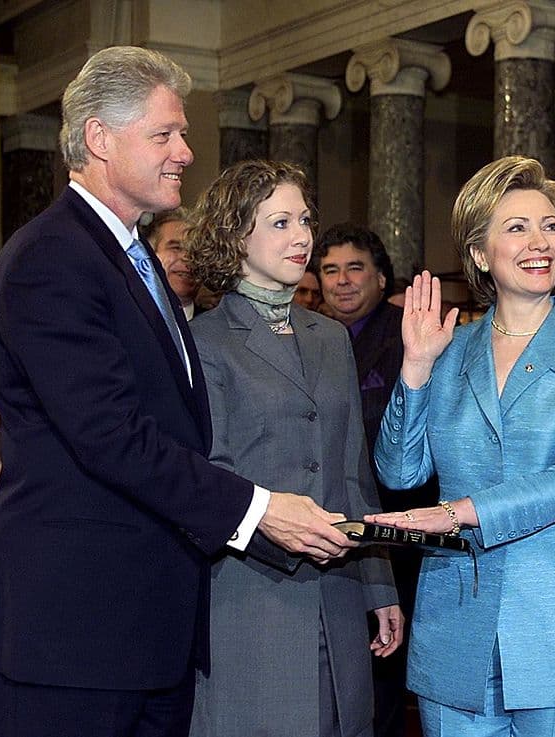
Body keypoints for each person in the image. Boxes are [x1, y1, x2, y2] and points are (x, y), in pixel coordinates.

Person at [0, 46, 357, 737]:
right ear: (99, 138)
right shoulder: (52, 259)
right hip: (75, 637)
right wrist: (258, 507)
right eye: (166, 134)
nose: (186, 151)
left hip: (140, 635)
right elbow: (110, 436)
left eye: (182, 133)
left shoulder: (130, 254)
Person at [369, 155, 555, 736]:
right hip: (455, 630)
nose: (540, 241)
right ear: (478, 252)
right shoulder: (449, 351)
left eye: (551, 225)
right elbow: (398, 470)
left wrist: (454, 514)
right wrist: (416, 365)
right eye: (516, 227)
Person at [183, 160, 401, 737]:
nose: (302, 236)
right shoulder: (202, 341)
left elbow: (354, 470)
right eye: (280, 222)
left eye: (304, 219)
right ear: (235, 236)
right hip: (251, 598)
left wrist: (378, 584)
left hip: (340, 591)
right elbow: (209, 474)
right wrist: (281, 530)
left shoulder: (328, 336)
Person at [313, 223, 436, 737]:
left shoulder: (409, 337)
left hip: (399, 538)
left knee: (385, 683)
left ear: (382, 278)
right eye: (330, 270)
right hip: (328, 533)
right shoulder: (310, 337)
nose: (342, 281)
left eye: (354, 268)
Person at [144, 207, 199, 320]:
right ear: (150, 253)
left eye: (195, 251)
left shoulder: (217, 327)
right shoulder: (127, 317)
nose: (187, 257)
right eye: (176, 248)